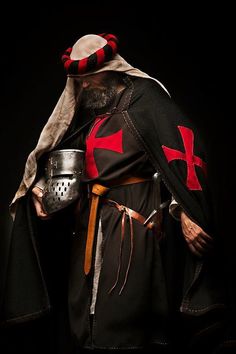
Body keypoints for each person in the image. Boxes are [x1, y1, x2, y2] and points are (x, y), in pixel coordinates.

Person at [1, 33, 230, 353]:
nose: (82, 88)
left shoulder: (147, 101)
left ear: (110, 69)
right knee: (83, 320)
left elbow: (182, 159)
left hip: (134, 227)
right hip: (87, 230)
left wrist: (184, 210)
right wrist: (39, 189)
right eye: (78, 82)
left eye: (88, 80)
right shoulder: (89, 112)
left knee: (125, 320)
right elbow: (64, 160)